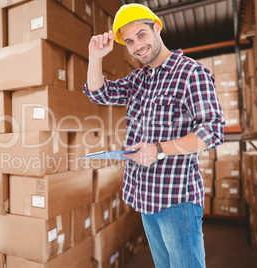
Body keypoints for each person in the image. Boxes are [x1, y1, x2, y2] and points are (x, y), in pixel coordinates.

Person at [83, 3, 226, 268]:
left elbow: (213, 131)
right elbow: (98, 93)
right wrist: (95, 57)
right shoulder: (139, 79)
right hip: (145, 196)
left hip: (176, 201)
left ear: (156, 28)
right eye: (128, 41)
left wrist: (158, 149)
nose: (137, 46)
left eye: (141, 35)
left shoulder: (191, 73)